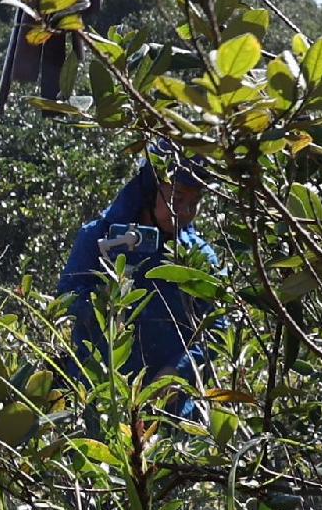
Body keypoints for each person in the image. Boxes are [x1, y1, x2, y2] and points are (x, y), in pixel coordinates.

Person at [60, 160, 217, 394]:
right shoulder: (98, 237)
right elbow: (66, 299)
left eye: (195, 202)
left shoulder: (199, 255)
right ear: (151, 190)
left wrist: (181, 371)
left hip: (170, 407)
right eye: (177, 198)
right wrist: (105, 302)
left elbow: (217, 328)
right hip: (101, 392)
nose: (185, 211)